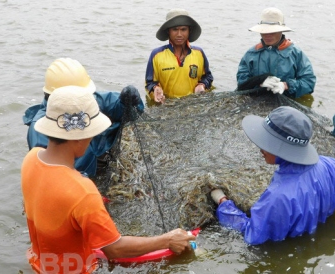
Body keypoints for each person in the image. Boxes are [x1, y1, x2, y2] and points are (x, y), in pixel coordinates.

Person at [21, 86, 195, 273]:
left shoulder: (31, 158)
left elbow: (53, 205)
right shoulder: (82, 191)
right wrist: (167, 239)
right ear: (79, 137)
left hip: (39, 266)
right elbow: (114, 248)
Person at [210, 106, 335, 245]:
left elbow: (253, 235)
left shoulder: (278, 197)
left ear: (281, 147)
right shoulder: (332, 166)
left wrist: (224, 205)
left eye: (266, 143)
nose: (260, 148)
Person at [22, 57, 144, 177]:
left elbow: (122, 108)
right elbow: (51, 173)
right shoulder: (40, 129)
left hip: (94, 160)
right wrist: (81, 183)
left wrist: (129, 101)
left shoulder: (89, 101)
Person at [236, 7, 316, 99]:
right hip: (256, 101)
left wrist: (286, 85)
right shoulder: (251, 54)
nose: (267, 35)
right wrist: (260, 82)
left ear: (281, 31)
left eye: (272, 32)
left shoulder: (296, 53)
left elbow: (309, 83)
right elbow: (241, 82)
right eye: (264, 32)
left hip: (286, 103)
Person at [145, 8, 214, 103]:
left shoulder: (199, 53)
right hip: (167, 105)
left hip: (193, 104)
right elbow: (149, 83)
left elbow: (208, 77)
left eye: (183, 29)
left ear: (189, 31)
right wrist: (155, 88)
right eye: (175, 29)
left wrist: (202, 85)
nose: (179, 34)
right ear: (168, 32)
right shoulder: (156, 55)